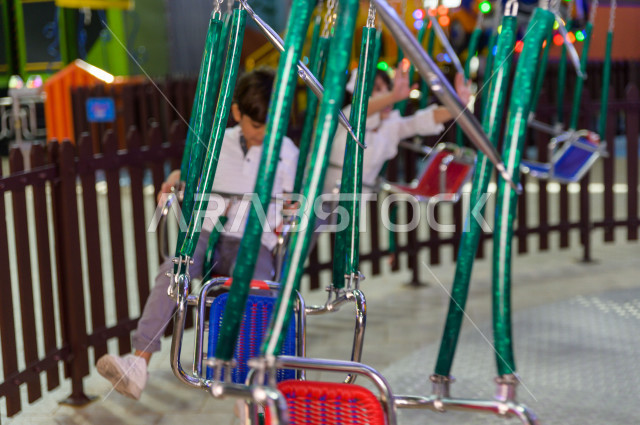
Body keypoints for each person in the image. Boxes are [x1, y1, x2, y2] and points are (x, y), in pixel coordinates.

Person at [96, 67, 299, 400]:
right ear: (237, 113)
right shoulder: (217, 141)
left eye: (273, 123)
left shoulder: (286, 152)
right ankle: (139, 361)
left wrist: (292, 210)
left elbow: (294, 202)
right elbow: (188, 174)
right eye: (257, 125)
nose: (265, 133)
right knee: (174, 270)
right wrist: (177, 176)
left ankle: (252, 377)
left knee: (259, 285)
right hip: (207, 231)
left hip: (253, 239)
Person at [323, 65, 472, 193]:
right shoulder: (346, 116)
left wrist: (457, 107)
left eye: (388, 88)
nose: (385, 94)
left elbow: (421, 121)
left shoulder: (391, 125)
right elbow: (361, 111)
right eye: (377, 89)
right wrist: (393, 96)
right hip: (322, 198)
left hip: (359, 203)